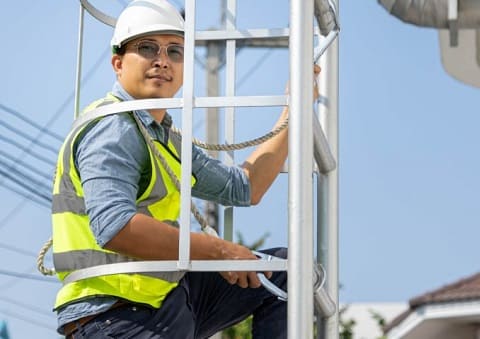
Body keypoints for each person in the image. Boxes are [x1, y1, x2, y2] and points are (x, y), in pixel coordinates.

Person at [51, 0, 319, 337]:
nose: (162, 60)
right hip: (115, 316)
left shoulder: (164, 138)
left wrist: (293, 109)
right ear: (117, 63)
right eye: (147, 48)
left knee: (280, 271)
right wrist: (220, 251)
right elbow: (115, 226)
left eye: (175, 51)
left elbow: (245, 187)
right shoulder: (114, 126)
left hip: (164, 301)